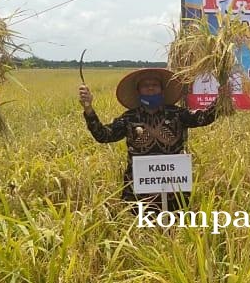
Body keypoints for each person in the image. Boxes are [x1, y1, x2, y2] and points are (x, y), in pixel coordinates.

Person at [79, 68, 217, 212]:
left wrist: (222, 100)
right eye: (145, 85)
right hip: (138, 192)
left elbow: (204, 117)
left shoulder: (178, 114)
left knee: (176, 228)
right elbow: (103, 135)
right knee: (140, 230)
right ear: (138, 91)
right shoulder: (129, 118)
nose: (150, 87)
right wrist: (88, 108)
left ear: (162, 91)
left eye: (155, 84)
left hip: (175, 190)